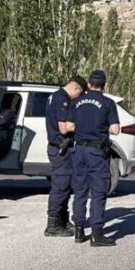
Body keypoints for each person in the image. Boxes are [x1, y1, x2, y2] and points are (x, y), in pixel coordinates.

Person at [70, 70, 119, 247]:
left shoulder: (76, 102)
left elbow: (69, 125)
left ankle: (79, 231)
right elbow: (115, 130)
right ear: (104, 85)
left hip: (79, 150)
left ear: (89, 84)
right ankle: (97, 234)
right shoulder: (107, 103)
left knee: (79, 191)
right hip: (96, 152)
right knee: (98, 192)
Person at [43, 75, 86, 236]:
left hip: (62, 148)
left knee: (66, 186)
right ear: (76, 89)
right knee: (60, 187)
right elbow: (63, 128)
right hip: (60, 148)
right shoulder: (61, 99)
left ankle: (63, 220)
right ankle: (53, 225)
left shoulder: (56, 95)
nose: (79, 97)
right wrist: (85, 123)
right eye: (80, 94)